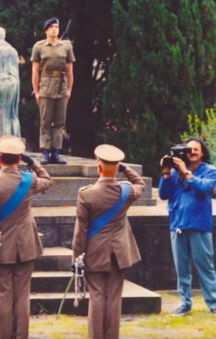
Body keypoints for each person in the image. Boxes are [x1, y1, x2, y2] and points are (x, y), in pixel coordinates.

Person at [0, 135, 53, 339]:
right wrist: (33, 162)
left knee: (3, 296)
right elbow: (48, 180)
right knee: (22, 295)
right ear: (19, 159)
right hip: (26, 244)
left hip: (2, 246)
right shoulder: (29, 181)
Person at [72, 144, 145, 339]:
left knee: (96, 298)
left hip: (95, 252)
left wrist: (77, 256)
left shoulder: (86, 193)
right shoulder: (127, 191)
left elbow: (81, 230)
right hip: (120, 253)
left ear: (98, 166)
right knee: (114, 298)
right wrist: (125, 169)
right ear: (116, 167)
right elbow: (141, 185)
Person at [158, 138, 216, 316]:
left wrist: (186, 173)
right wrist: (166, 172)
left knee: (205, 266)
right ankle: (184, 303)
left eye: (196, 149)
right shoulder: (174, 172)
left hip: (199, 224)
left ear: (202, 152)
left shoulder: (210, 171)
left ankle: (213, 303)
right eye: (189, 149)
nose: (192, 152)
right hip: (177, 223)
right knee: (181, 268)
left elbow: (203, 188)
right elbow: (163, 194)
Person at [31, 17, 75, 165]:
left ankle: (56, 151)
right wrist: (36, 91)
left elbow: (69, 70)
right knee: (45, 120)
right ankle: (45, 151)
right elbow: (35, 71)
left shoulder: (66, 47)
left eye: (57, 26)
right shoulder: (39, 46)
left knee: (59, 121)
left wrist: (69, 89)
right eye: (52, 27)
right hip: (46, 85)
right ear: (46, 30)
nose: (55, 29)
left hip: (61, 86)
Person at [0, 27, 21, 136]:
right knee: (12, 114)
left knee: (0, 113)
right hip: (14, 82)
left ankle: (0, 139)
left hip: (0, 82)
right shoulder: (13, 51)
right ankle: (14, 137)